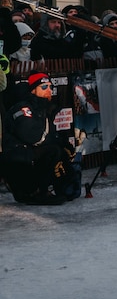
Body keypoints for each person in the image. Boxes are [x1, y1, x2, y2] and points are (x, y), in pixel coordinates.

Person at [1, 73, 80, 205]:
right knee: (53, 150)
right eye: (44, 87)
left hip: (26, 158)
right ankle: (35, 191)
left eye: (50, 87)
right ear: (33, 90)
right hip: (17, 163)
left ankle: (54, 188)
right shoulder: (23, 108)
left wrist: (65, 145)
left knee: (62, 150)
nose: (49, 91)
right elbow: (34, 137)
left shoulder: (41, 108)